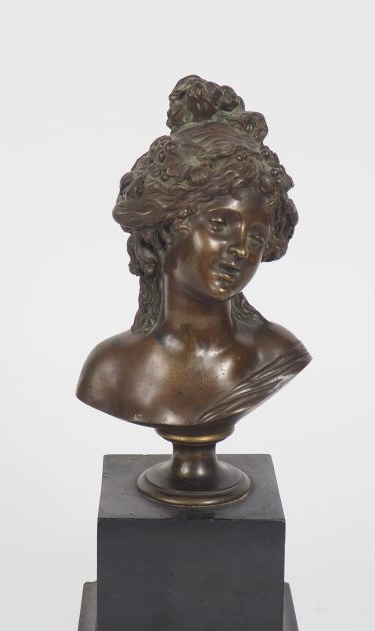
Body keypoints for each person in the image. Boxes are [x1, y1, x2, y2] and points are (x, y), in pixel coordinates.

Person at [77, 75, 310, 431]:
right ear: (168, 225)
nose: (240, 250)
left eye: (256, 238)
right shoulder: (112, 369)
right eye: (219, 224)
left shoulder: (273, 352)